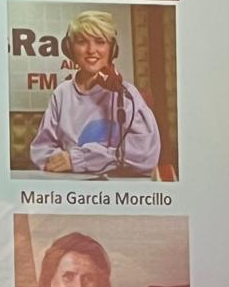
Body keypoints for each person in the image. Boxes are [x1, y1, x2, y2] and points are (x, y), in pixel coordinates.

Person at [29, 10, 159, 176]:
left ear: (112, 50)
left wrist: (78, 160)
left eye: (100, 42)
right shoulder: (61, 94)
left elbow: (145, 153)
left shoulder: (126, 95)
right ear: (70, 48)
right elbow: (41, 149)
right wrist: (59, 160)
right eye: (82, 42)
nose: (91, 50)